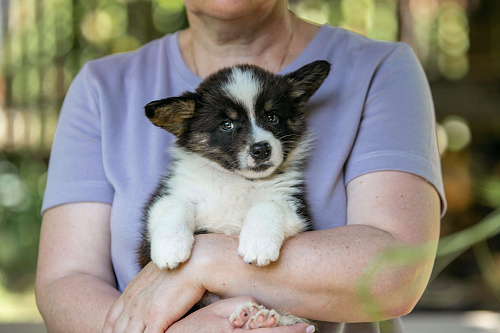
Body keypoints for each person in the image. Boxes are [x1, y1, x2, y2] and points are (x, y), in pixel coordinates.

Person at [35, 1, 446, 332]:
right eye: (229, 125)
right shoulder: (99, 87)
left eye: (269, 119)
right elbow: (64, 282)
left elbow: (398, 271)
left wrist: (203, 261)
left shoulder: (382, 69)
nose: (258, 142)